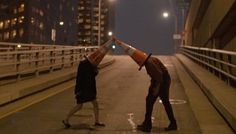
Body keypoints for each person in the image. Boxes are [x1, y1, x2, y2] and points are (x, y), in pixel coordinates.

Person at [137, 56, 177, 132]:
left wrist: (156, 89)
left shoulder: (149, 64)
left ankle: (147, 125)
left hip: (162, 81)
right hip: (161, 79)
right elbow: (156, 75)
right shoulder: (151, 59)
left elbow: (159, 76)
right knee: (155, 101)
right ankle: (172, 123)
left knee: (150, 101)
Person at [62, 59, 105, 129]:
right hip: (85, 90)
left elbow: (87, 77)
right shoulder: (87, 66)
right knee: (81, 105)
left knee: (89, 104)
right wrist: (95, 71)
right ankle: (66, 119)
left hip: (83, 89)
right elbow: (90, 77)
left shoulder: (84, 65)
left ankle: (97, 121)